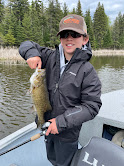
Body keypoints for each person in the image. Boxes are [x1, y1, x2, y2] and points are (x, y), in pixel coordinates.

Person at [19, 14, 102, 166]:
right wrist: (32, 54)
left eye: (75, 34)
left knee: (64, 163)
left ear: (85, 39)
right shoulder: (49, 57)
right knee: (52, 158)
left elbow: (92, 106)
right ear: (60, 38)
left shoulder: (87, 71)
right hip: (46, 126)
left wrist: (61, 122)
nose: (69, 38)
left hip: (67, 134)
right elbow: (26, 44)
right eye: (65, 34)